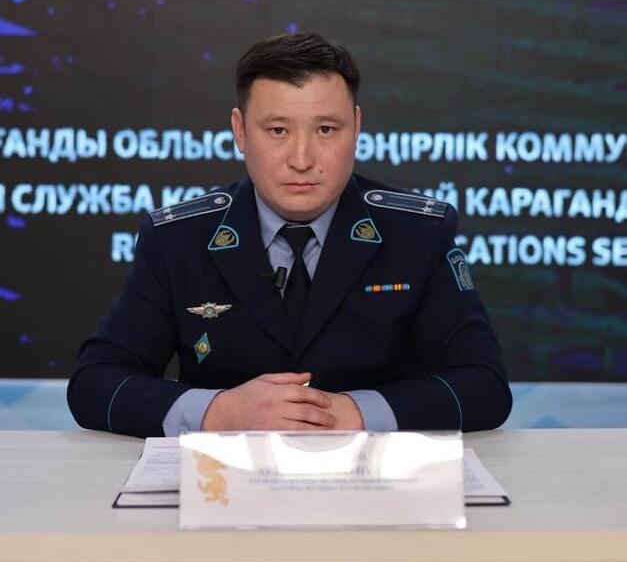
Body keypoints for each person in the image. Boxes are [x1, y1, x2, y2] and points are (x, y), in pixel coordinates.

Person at [67, 32, 512, 438]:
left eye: (326, 129)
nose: (301, 159)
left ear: (356, 128)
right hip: (223, 485)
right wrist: (217, 412)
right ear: (240, 131)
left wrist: (354, 413)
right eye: (278, 130)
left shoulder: (418, 235)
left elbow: (484, 385)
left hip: (376, 484)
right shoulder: (178, 239)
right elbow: (95, 381)